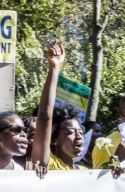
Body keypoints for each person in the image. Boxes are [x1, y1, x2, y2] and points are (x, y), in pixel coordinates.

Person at [32, 41, 87, 171]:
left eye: (80, 132)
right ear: (54, 139)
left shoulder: (85, 171)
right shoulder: (48, 164)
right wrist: (54, 68)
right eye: (71, 132)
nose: (79, 136)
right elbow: (45, 117)